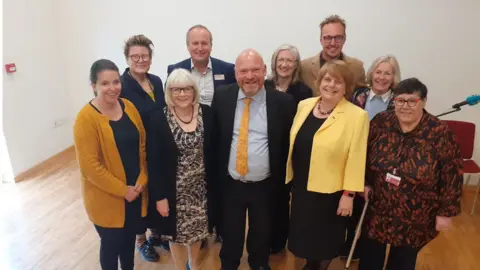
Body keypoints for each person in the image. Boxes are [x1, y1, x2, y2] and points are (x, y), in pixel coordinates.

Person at [358, 78, 463, 270]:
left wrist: (446, 213)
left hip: (416, 211)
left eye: (412, 101)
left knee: (403, 260)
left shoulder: (439, 132)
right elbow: (363, 154)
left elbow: (452, 175)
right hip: (378, 206)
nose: (405, 106)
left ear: (423, 101)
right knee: (370, 256)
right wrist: (363, 182)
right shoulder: (382, 122)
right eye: (400, 100)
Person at [212, 49, 296, 270]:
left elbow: (288, 145)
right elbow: (215, 138)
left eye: (255, 70)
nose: (250, 76)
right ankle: (228, 264)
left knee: (262, 232)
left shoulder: (284, 103)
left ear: (265, 71)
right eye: (244, 71)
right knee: (230, 232)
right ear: (235, 73)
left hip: (265, 184)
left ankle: (258, 263)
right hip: (231, 182)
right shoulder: (222, 97)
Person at [286, 60, 369, 270]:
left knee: (324, 241)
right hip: (303, 186)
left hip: (332, 192)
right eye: (327, 79)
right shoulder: (305, 105)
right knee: (304, 237)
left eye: (338, 82)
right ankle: (309, 265)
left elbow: (356, 157)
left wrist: (349, 195)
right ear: (319, 81)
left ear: (346, 87)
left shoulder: (357, 116)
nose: (331, 85)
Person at [73, 59, 148, 270]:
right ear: (93, 86)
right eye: (105, 83)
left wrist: (142, 178)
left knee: (127, 243)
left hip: (135, 191)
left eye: (116, 82)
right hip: (108, 199)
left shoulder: (129, 107)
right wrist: (123, 190)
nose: (112, 88)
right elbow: (90, 167)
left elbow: (142, 146)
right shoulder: (86, 119)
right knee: (111, 246)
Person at [147, 68, 216, 270]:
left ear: (194, 90)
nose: (182, 94)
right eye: (176, 90)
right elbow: (154, 161)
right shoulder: (158, 119)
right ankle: (180, 267)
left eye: (186, 89)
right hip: (173, 191)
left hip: (202, 190)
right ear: (169, 92)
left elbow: (215, 152)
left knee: (197, 233)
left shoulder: (208, 114)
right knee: (174, 235)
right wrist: (159, 197)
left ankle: (193, 265)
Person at [340, 54, 401, 260]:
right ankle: (349, 245)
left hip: (382, 162)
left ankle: (364, 250)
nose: (382, 77)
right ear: (371, 74)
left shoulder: (398, 101)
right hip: (354, 155)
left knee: (373, 209)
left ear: (393, 78)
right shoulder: (359, 94)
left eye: (387, 73)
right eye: (378, 72)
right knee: (351, 204)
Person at [119, 34, 166, 261]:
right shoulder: (122, 85)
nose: (140, 60)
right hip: (134, 150)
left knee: (156, 190)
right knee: (139, 195)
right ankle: (140, 240)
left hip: (157, 146)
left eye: (144, 56)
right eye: (134, 56)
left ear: (150, 57)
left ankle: (156, 234)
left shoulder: (156, 81)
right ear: (127, 59)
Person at [264, 44, 312, 254]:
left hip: (288, 154)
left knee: (282, 200)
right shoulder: (263, 86)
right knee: (262, 200)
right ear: (274, 63)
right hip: (263, 151)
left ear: (296, 65)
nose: (284, 64)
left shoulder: (303, 91)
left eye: (289, 60)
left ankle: (277, 241)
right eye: (280, 60)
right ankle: (261, 238)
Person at [167, 24, 236, 106]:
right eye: (195, 43)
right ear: (188, 46)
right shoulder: (175, 70)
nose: (200, 48)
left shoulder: (228, 70)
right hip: (186, 118)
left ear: (211, 46)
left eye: (204, 43)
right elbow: (168, 100)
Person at [299, 15, 366, 95]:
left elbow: (361, 98)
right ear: (321, 40)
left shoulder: (357, 67)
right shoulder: (304, 67)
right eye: (328, 38)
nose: (333, 43)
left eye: (338, 37)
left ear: (344, 39)